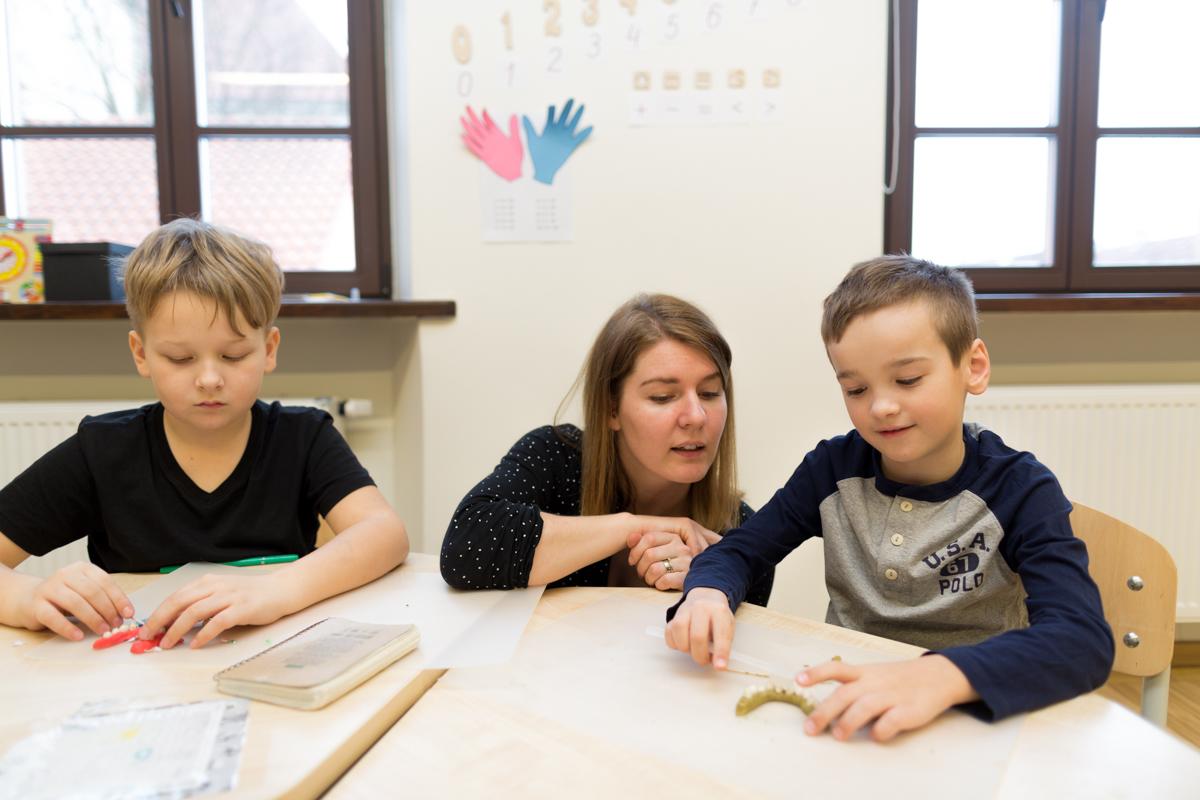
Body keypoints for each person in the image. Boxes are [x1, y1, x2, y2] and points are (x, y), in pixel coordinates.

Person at [665, 255, 1113, 741]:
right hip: (848, 710)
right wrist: (707, 591)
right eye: (856, 388)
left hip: (966, 715)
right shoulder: (831, 472)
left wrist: (938, 675)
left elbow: (1081, 639)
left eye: (908, 380)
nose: (881, 406)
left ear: (973, 368)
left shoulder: (1021, 490)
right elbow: (739, 551)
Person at [0, 218, 409, 650]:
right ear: (141, 354)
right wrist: (26, 598)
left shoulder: (303, 437)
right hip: (138, 678)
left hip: (270, 658)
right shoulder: (100, 451)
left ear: (268, 350)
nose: (209, 379)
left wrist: (275, 591)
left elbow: (384, 533)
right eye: (180, 358)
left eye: (233, 356)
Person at [441, 293, 773, 603]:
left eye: (710, 392)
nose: (696, 416)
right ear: (610, 408)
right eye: (663, 396)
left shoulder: (740, 533)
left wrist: (707, 583)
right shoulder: (555, 455)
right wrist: (636, 527)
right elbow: (465, 547)